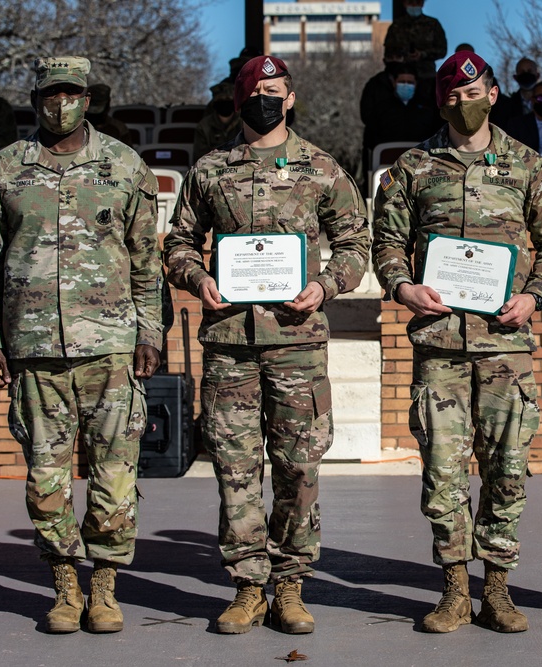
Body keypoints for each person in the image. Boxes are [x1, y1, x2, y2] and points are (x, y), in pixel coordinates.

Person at [163, 55, 370, 636]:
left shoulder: (321, 167)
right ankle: (248, 586)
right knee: (235, 467)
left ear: (291, 96)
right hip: (230, 343)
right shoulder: (210, 170)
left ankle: (290, 586)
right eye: (255, 89)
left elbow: (355, 241)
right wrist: (197, 278)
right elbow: (178, 242)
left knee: (298, 467)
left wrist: (325, 284)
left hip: (297, 342)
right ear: (238, 98)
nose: (264, 98)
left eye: (273, 90)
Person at [372, 51, 542, 635]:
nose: (464, 103)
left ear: (492, 91)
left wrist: (537, 296)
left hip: (506, 345)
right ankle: (454, 588)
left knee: (508, 468)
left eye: (474, 91)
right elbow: (387, 242)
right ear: (441, 101)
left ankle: (499, 590)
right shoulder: (411, 168)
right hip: (439, 346)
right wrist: (403, 286)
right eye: (452, 96)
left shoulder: (529, 166)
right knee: (442, 469)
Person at [0, 56, 163, 635]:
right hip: (33, 353)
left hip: (110, 349)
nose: (61, 103)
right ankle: (64, 587)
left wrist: (150, 332)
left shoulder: (125, 167)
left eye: (72, 92)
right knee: (46, 479)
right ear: (35, 100)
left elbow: (147, 263)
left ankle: (104, 587)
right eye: (51, 93)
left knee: (115, 477)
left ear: (88, 98)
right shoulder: (5, 169)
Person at [360, 59, 440, 178]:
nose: (406, 85)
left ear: (416, 83)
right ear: (393, 82)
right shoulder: (382, 109)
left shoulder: (427, 109)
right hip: (387, 171)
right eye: (402, 81)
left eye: (410, 82)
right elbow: (371, 138)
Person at [383, 0, 447, 101]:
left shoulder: (432, 24)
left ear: (422, 3)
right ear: (405, 3)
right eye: (410, 2)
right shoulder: (396, 26)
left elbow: (442, 50)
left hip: (426, 77)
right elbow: (388, 53)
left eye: (417, 2)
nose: (413, 5)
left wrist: (423, 54)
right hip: (402, 79)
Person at [193, 79, 241, 159]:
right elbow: (200, 157)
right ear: (214, 103)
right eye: (220, 100)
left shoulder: (244, 124)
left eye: (228, 100)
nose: (225, 103)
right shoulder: (204, 126)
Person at [489, 57, 540, 128]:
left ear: (537, 76)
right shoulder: (506, 107)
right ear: (515, 77)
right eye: (522, 72)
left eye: (530, 71)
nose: (526, 75)